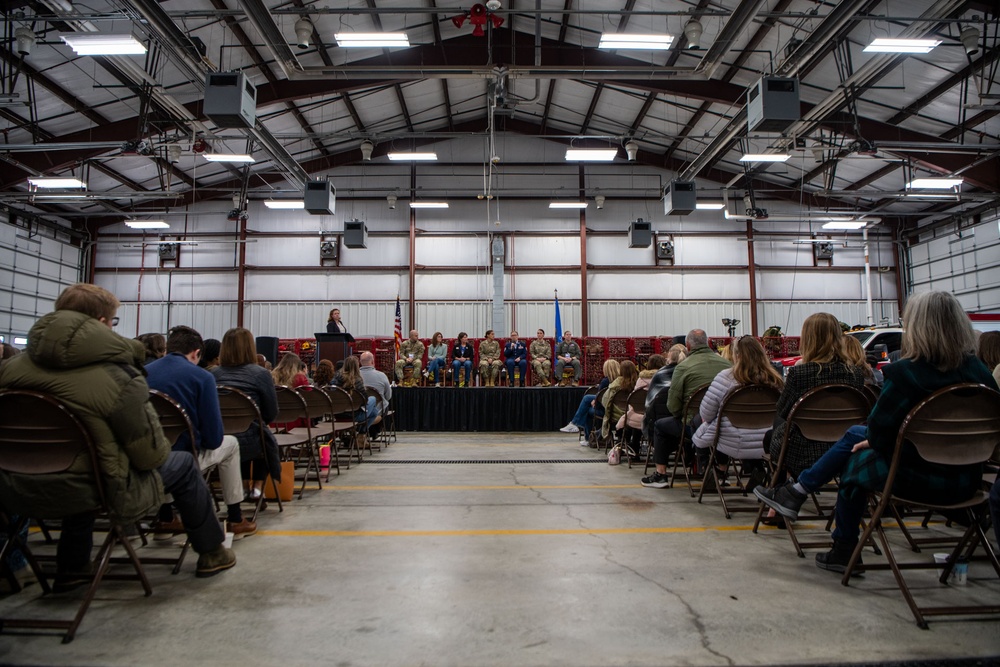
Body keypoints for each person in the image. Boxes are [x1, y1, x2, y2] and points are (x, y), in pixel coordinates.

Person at [0, 283, 234, 583]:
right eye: (113, 321)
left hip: (12, 488)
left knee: (80, 460)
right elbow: (149, 453)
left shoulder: (9, 371)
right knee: (182, 464)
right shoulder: (118, 375)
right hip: (93, 486)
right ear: (100, 322)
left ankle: (70, 567)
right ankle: (213, 552)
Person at [755, 291, 999, 573]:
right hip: (969, 481)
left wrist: (873, 440)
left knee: (856, 461)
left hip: (914, 477)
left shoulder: (906, 375)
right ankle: (798, 494)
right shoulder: (980, 375)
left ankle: (843, 547)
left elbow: (880, 433)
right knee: (856, 436)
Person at [146, 325, 256, 538]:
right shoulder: (202, 377)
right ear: (196, 353)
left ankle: (166, 517)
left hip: (146, 457)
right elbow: (214, 439)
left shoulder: (143, 373)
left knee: (165, 444)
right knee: (230, 444)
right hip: (186, 459)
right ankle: (235, 518)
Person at [765, 313, 866, 480]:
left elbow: (783, 411)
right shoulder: (855, 374)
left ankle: (781, 487)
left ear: (807, 338)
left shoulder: (800, 373)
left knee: (774, 432)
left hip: (802, 449)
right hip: (845, 447)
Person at [641, 329, 731, 489]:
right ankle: (722, 472)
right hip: (725, 426)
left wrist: (681, 415)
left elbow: (673, 406)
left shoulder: (682, 368)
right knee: (719, 427)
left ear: (688, 346)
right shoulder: (728, 366)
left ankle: (661, 475)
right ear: (707, 342)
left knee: (661, 425)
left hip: (692, 426)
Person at [691, 337, 782, 479]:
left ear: (737, 356)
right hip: (767, 440)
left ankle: (715, 468)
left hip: (733, 440)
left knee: (707, 422)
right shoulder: (775, 380)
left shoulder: (725, 378)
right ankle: (756, 467)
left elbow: (706, 414)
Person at [211, 327, 281, 503]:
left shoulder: (213, 375)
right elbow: (271, 413)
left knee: (242, 434)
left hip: (219, 438)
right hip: (253, 440)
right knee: (260, 434)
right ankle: (257, 488)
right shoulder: (261, 374)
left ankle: (241, 486)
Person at [561, 359, 619, 441]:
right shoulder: (621, 382)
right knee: (588, 399)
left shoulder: (605, 381)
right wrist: (595, 399)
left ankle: (583, 433)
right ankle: (575, 424)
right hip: (618, 410)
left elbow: (599, 404)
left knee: (587, 408)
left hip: (606, 411)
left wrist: (595, 402)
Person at [616, 354, 666, 451]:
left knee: (635, 416)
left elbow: (634, 400)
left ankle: (633, 447)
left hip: (641, 414)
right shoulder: (666, 378)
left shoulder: (641, 379)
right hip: (662, 414)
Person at [642, 344, 687, 438]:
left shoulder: (659, 375)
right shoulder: (689, 374)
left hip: (659, 422)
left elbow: (648, 404)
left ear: (669, 357)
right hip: (686, 420)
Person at [333, 355, 379, 437]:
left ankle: (356, 434)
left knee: (374, 411)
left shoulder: (335, 380)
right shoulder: (357, 381)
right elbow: (365, 401)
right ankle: (361, 433)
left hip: (337, 414)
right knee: (373, 400)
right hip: (355, 416)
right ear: (357, 366)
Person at [601, 360, 639, 443]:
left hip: (617, 415)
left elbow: (605, 402)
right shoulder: (639, 385)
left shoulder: (615, 385)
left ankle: (620, 441)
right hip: (637, 415)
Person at [359, 351, 392, 421]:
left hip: (359, 410)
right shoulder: (382, 376)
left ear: (360, 362)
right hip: (379, 409)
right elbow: (388, 396)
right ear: (372, 362)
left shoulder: (353, 377)